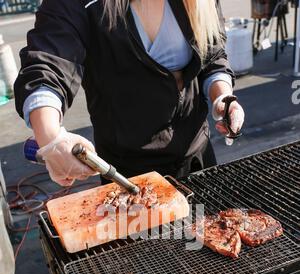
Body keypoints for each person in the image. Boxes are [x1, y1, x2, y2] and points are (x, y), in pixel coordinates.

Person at [14, 0, 244, 187]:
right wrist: (51, 137)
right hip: (126, 172)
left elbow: (213, 54)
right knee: (152, 243)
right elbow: (48, 62)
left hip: (196, 155)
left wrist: (222, 97)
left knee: (200, 239)